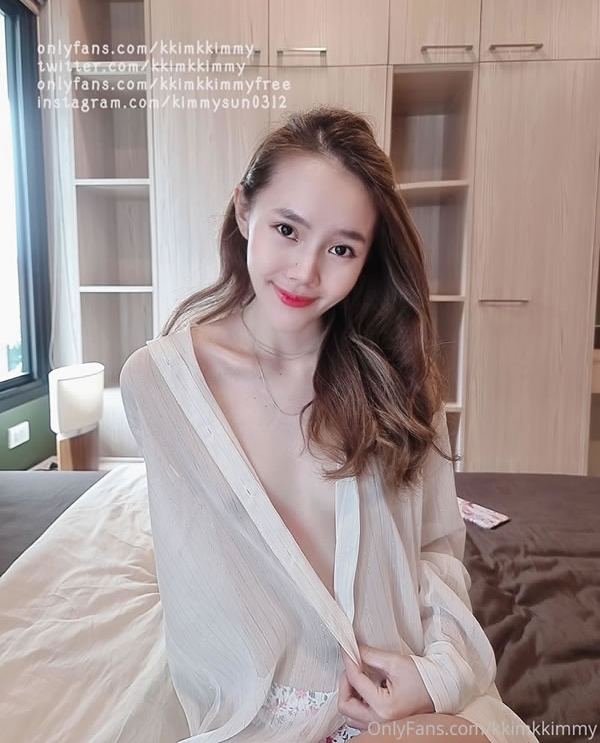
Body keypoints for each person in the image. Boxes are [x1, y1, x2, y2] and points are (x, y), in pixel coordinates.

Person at [120, 106, 538, 743]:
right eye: (287, 229)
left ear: (368, 257)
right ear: (244, 211)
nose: (305, 272)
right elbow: (196, 579)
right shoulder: (160, 384)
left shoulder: (396, 376)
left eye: (341, 248)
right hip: (264, 713)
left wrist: (438, 676)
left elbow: (434, 545)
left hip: (405, 692)